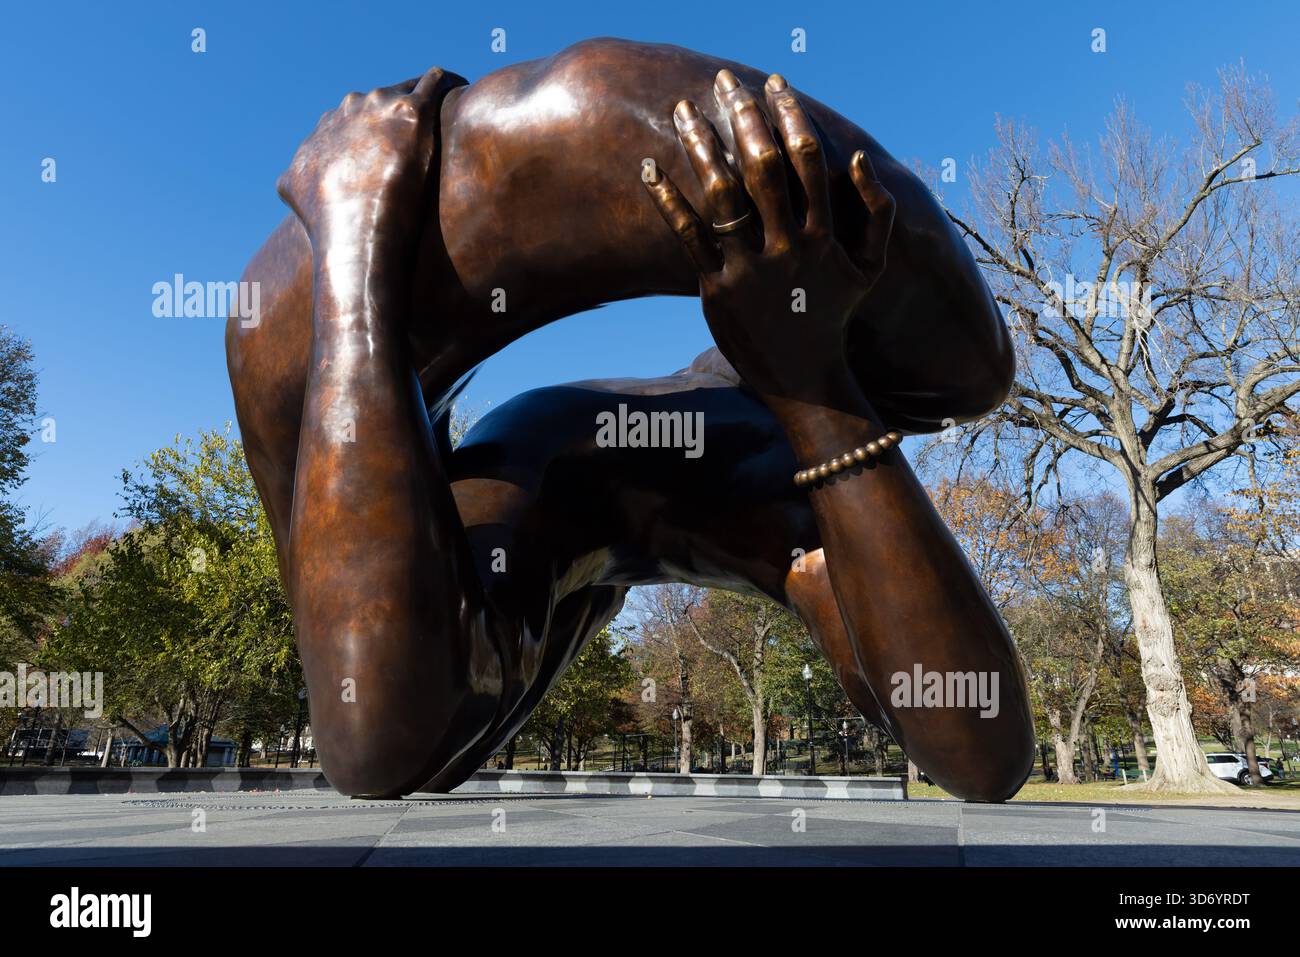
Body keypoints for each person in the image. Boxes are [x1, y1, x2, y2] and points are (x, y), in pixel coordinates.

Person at [227, 40, 1035, 801]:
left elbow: (986, 754)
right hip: (537, 480)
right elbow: (370, 731)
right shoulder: (542, 480)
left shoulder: (812, 511)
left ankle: (351, 238)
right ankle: (355, 247)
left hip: (548, 485)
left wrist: (807, 376)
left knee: (395, 732)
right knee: (397, 719)